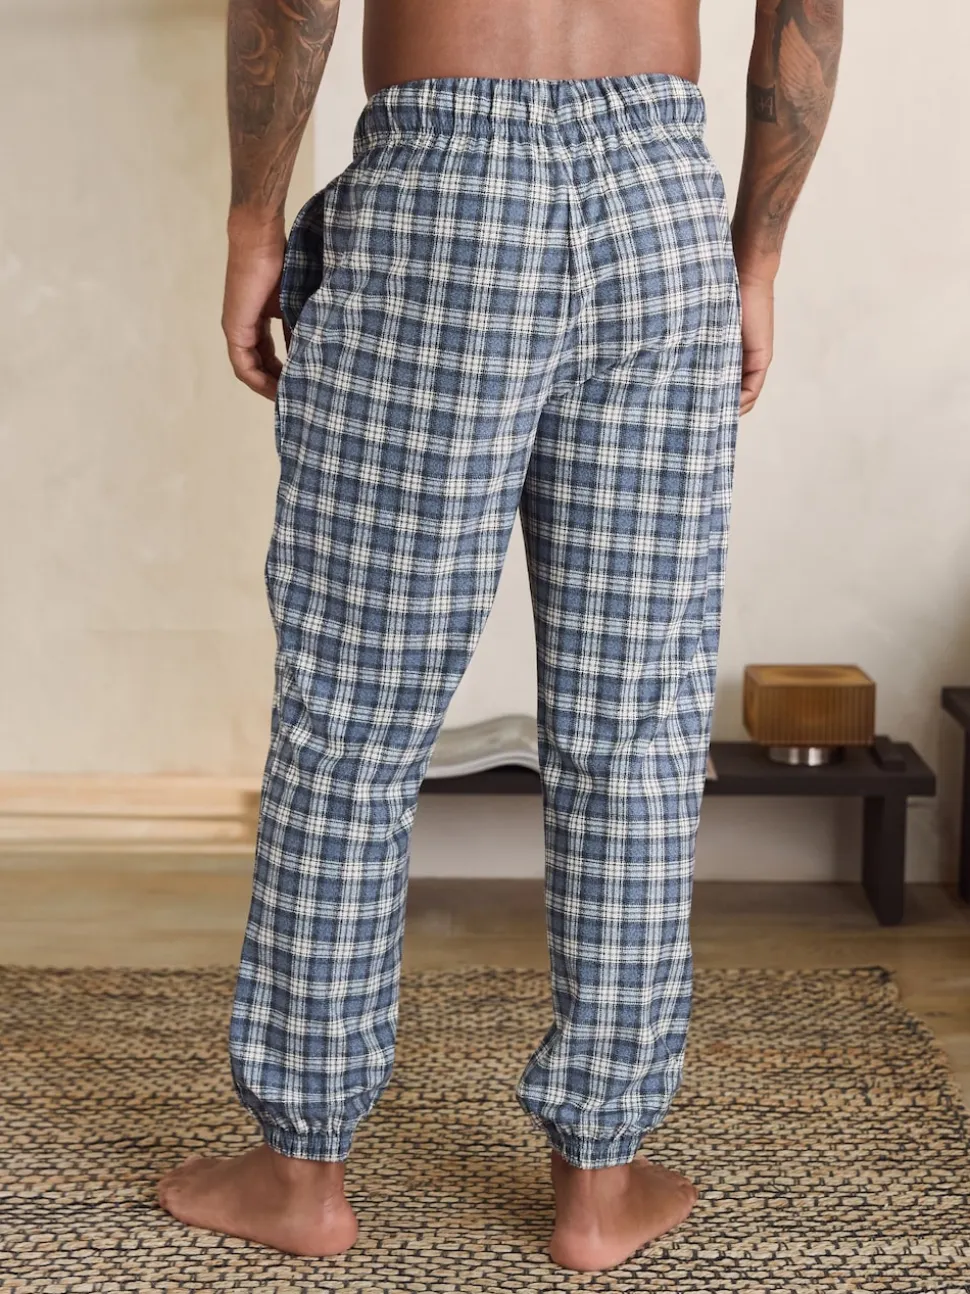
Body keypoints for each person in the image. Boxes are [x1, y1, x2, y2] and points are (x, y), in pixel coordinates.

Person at [158, 0, 842, 1272]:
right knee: (633, 728)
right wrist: (753, 256)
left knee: (353, 717)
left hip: (440, 187)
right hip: (659, 196)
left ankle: (301, 1171)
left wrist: (255, 223)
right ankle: (600, 1179)